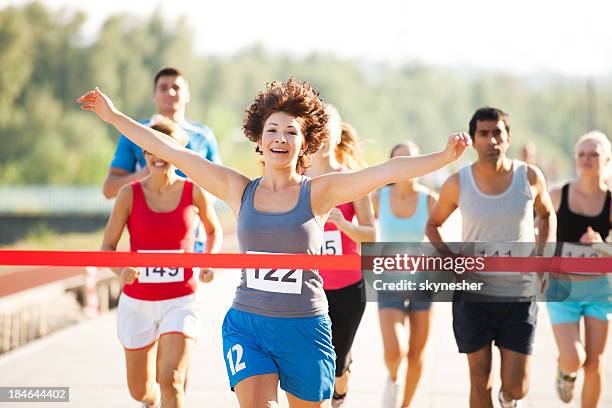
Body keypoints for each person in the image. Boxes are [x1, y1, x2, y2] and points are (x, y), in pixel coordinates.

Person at [78, 78, 470, 407]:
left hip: (305, 327)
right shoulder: (237, 189)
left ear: (305, 143)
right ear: (259, 139)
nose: (280, 139)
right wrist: (111, 116)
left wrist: (443, 156)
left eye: (291, 132)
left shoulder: (320, 192)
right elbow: (171, 149)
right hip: (249, 326)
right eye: (272, 130)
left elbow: (386, 171)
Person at [426, 107, 557, 408]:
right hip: (474, 294)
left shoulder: (530, 176)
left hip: (519, 293)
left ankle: (508, 399)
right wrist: (451, 259)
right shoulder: (458, 183)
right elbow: (432, 225)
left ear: (508, 137)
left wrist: (543, 256)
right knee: (479, 379)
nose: (491, 140)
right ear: (473, 140)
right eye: (483, 134)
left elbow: (547, 215)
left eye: (497, 132)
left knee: (517, 386)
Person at [100, 119, 223, 408]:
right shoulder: (129, 194)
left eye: (165, 148)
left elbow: (214, 230)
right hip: (138, 300)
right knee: (140, 390)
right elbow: (107, 246)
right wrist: (121, 270)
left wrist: (208, 260)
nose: (158, 155)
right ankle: (152, 401)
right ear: (143, 154)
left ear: (178, 152)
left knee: (171, 380)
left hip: (181, 298)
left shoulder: (193, 191)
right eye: (151, 149)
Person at [103, 66, 222, 252]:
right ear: (154, 94)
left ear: (187, 94)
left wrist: (194, 205)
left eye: (176, 87)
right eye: (163, 87)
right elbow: (109, 189)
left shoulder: (203, 136)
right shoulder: (133, 133)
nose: (170, 92)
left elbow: (219, 186)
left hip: (192, 241)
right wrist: (146, 173)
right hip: (149, 242)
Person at [304, 107, 376, 407]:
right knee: (311, 357)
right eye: (315, 129)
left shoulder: (354, 180)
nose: (320, 137)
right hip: (307, 286)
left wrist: (344, 226)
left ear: (335, 135)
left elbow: (372, 234)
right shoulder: (298, 180)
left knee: (338, 359)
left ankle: (340, 390)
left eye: (326, 129)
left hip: (347, 287)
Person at [547, 131, 611, 408]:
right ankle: (565, 370)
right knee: (575, 358)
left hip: (599, 290)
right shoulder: (557, 196)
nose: (587, 159)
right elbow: (536, 234)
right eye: (582, 154)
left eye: (594, 154)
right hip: (563, 289)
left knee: (595, 364)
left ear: (606, 160)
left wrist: (601, 246)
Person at [373, 142, 437, 408]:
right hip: (389, 281)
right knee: (394, 350)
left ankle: (404, 405)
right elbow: (365, 229)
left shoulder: (430, 200)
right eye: (398, 162)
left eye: (411, 161)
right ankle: (393, 377)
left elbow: (441, 240)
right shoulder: (378, 199)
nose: (405, 168)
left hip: (424, 281)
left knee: (416, 352)